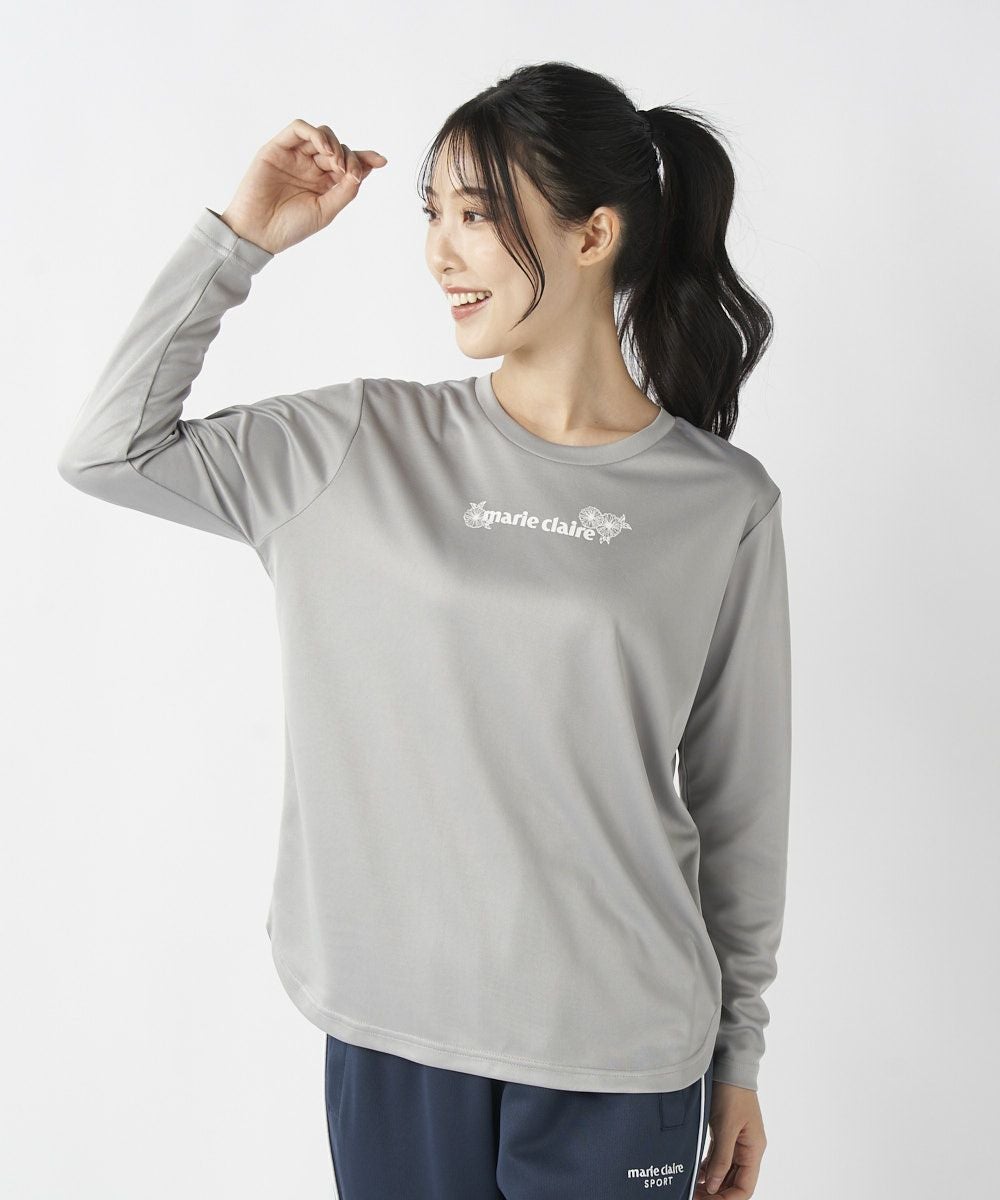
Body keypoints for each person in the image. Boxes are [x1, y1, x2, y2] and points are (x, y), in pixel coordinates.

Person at [56, 60, 791, 1200]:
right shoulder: (353, 448)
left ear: (593, 234)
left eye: (478, 216)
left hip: (624, 1050)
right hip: (396, 1034)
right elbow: (110, 452)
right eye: (432, 214)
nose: (441, 252)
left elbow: (738, 805)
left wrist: (738, 1056)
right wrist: (238, 241)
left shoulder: (718, 502)